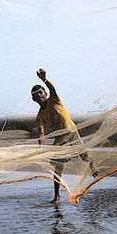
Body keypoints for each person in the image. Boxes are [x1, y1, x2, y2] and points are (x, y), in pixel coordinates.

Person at [32, 68, 98, 203]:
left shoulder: (54, 100)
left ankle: (92, 165)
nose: (39, 95)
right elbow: (41, 133)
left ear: (45, 93)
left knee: (84, 157)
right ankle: (56, 196)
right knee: (57, 167)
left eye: (40, 92)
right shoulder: (40, 115)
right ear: (34, 99)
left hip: (72, 132)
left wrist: (44, 80)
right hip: (60, 138)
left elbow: (52, 89)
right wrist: (41, 147)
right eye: (36, 94)